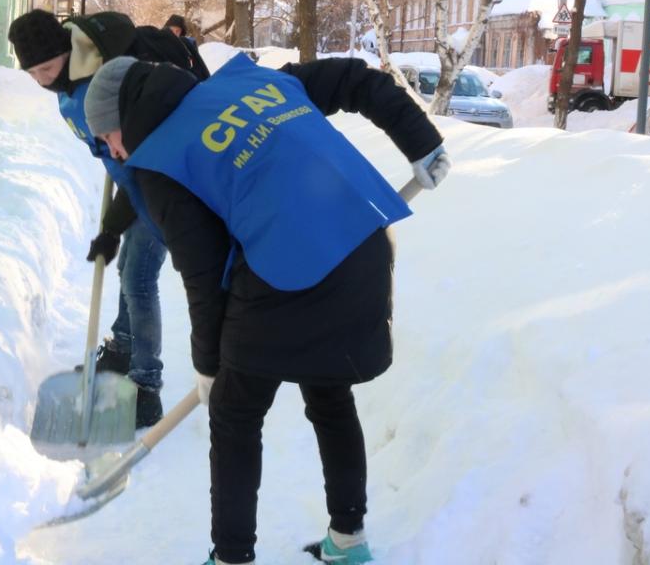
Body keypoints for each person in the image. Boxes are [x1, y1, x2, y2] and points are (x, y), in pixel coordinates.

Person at [83, 52, 450, 565]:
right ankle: (348, 540)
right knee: (330, 395)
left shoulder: (162, 161)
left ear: (120, 121)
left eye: (105, 136)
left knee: (234, 414)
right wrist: (421, 141)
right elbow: (353, 78)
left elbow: (204, 278)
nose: (108, 148)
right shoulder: (254, 81)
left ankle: (231, 557)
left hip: (293, 272)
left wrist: (209, 367)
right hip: (363, 244)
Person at [8, 8, 206, 428]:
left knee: (137, 277)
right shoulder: (68, 83)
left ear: (67, 50)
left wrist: (115, 225)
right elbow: (116, 156)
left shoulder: (103, 82)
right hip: (134, 184)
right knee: (128, 272)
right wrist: (114, 221)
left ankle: (146, 387)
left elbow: (142, 162)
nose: (41, 80)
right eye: (31, 73)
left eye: (45, 67)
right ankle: (122, 350)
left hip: (167, 182)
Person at [164, 13, 211, 81]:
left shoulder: (187, 44)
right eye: (171, 30)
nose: (174, 33)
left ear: (181, 32)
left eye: (177, 31)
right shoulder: (162, 44)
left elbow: (199, 66)